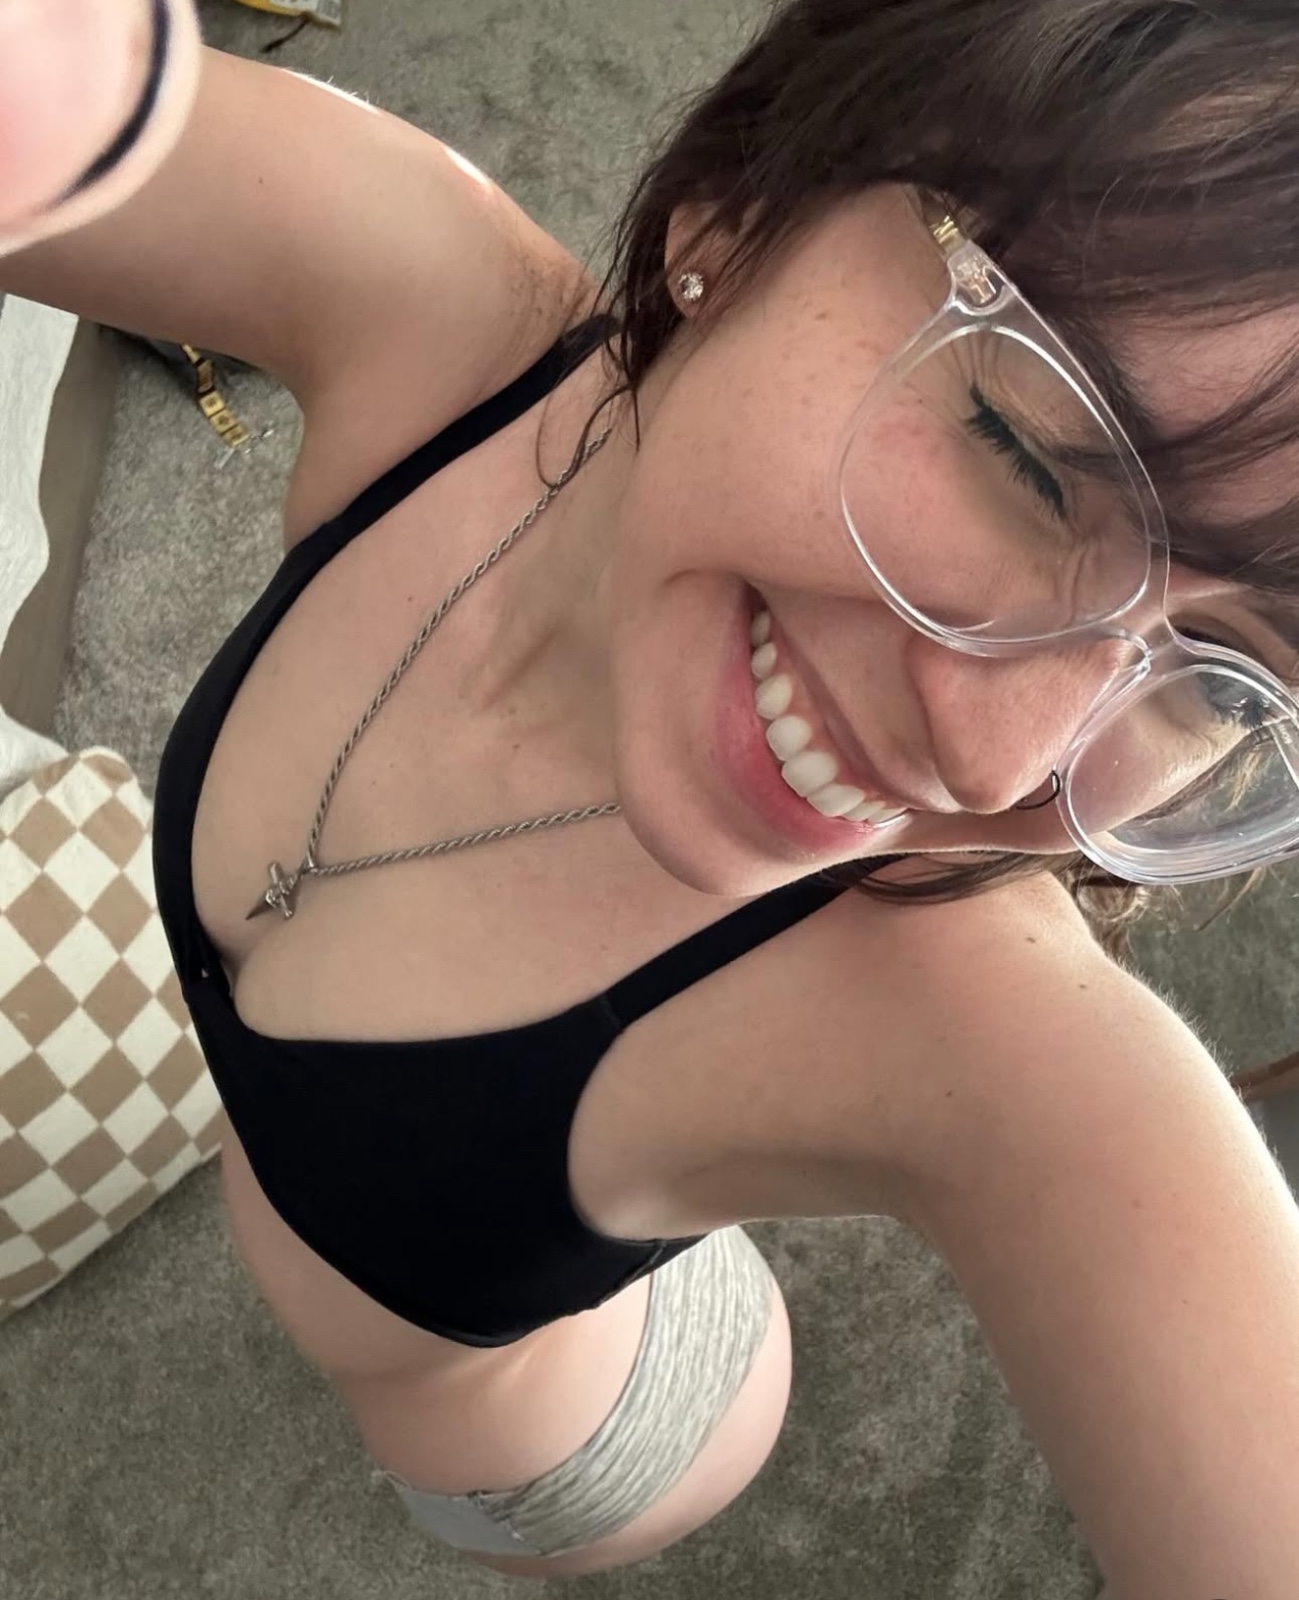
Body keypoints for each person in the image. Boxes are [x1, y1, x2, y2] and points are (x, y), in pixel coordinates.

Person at [3, 0, 1299, 1593]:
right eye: (1028, 453)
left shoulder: (999, 1051)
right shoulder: (432, 314)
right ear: (742, 207)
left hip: (578, 1438)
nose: (999, 766)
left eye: (1216, 682)